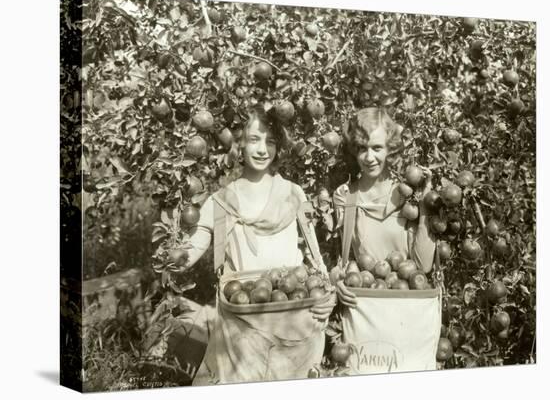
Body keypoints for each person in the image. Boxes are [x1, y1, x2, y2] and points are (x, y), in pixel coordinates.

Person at [174, 105, 335, 385]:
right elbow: (184, 257)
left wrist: (328, 297)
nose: (262, 150)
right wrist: (172, 212)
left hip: (294, 328)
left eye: (270, 141)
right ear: (239, 144)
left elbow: (315, 258)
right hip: (241, 335)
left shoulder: (295, 194)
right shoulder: (220, 202)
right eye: (254, 140)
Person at [333, 107, 436, 307]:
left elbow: (423, 265)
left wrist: (424, 206)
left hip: (406, 306)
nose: (369, 158)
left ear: (390, 147)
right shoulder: (345, 197)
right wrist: (337, 282)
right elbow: (339, 263)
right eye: (362, 148)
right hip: (365, 308)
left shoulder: (408, 195)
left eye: (377, 148)